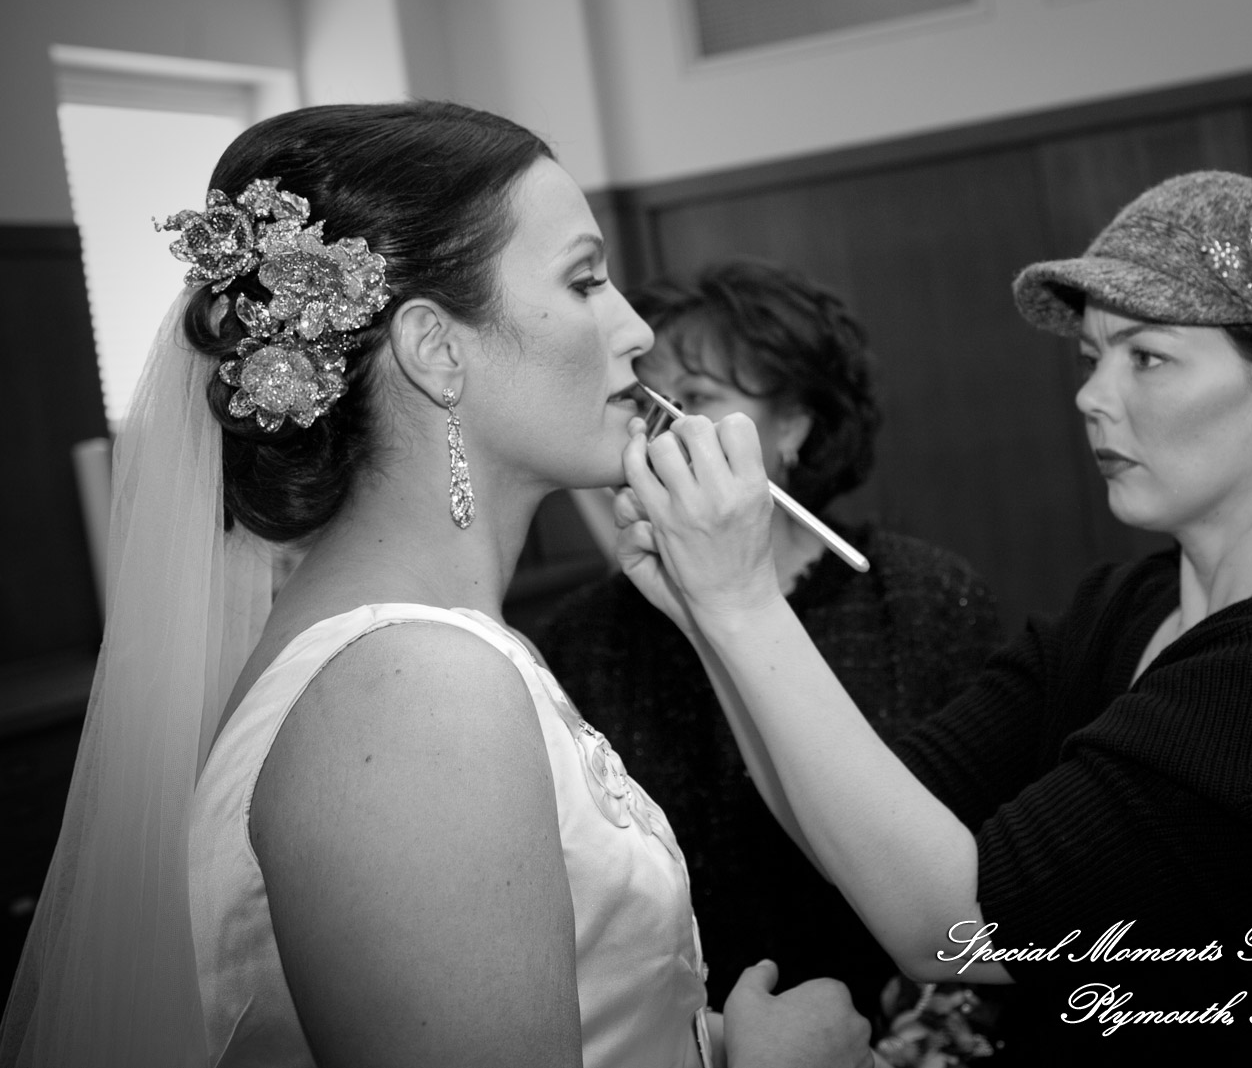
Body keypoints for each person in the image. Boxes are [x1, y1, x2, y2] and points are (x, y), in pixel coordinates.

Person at [0, 101, 872, 1068]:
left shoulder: (421, 651)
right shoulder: (414, 693)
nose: (635, 331)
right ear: (437, 350)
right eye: (585, 280)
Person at [612, 171, 1252, 1063]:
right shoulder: (1119, 607)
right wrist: (705, 616)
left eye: (1146, 357)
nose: (1091, 396)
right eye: (1091, 358)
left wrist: (739, 600)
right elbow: (859, 822)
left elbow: (950, 924)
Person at [536, 260, 1002, 1024]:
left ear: (793, 425)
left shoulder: (925, 597)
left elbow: (983, 870)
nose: (661, 424)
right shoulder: (581, 636)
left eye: (699, 398)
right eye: (645, 397)